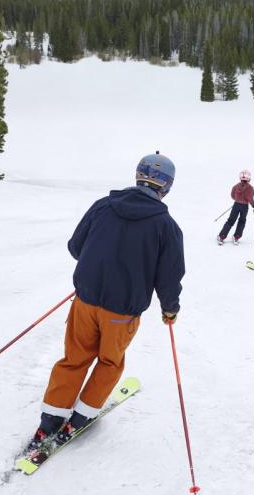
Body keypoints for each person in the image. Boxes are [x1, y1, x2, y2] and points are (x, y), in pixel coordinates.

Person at [28, 152, 186, 451]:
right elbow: (169, 276)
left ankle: (51, 419)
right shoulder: (166, 226)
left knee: (74, 358)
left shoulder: (103, 206)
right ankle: (82, 416)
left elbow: (76, 247)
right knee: (109, 362)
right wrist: (170, 308)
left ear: (138, 175)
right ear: (166, 186)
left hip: (85, 302)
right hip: (121, 313)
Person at [218, 169, 254, 245]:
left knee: (230, 220)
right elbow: (250, 198)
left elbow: (232, 195)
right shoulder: (250, 188)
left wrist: (238, 199)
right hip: (244, 207)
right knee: (242, 221)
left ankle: (222, 236)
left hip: (236, 205)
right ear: (249, 178)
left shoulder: (236, 186)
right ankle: (236, 237)